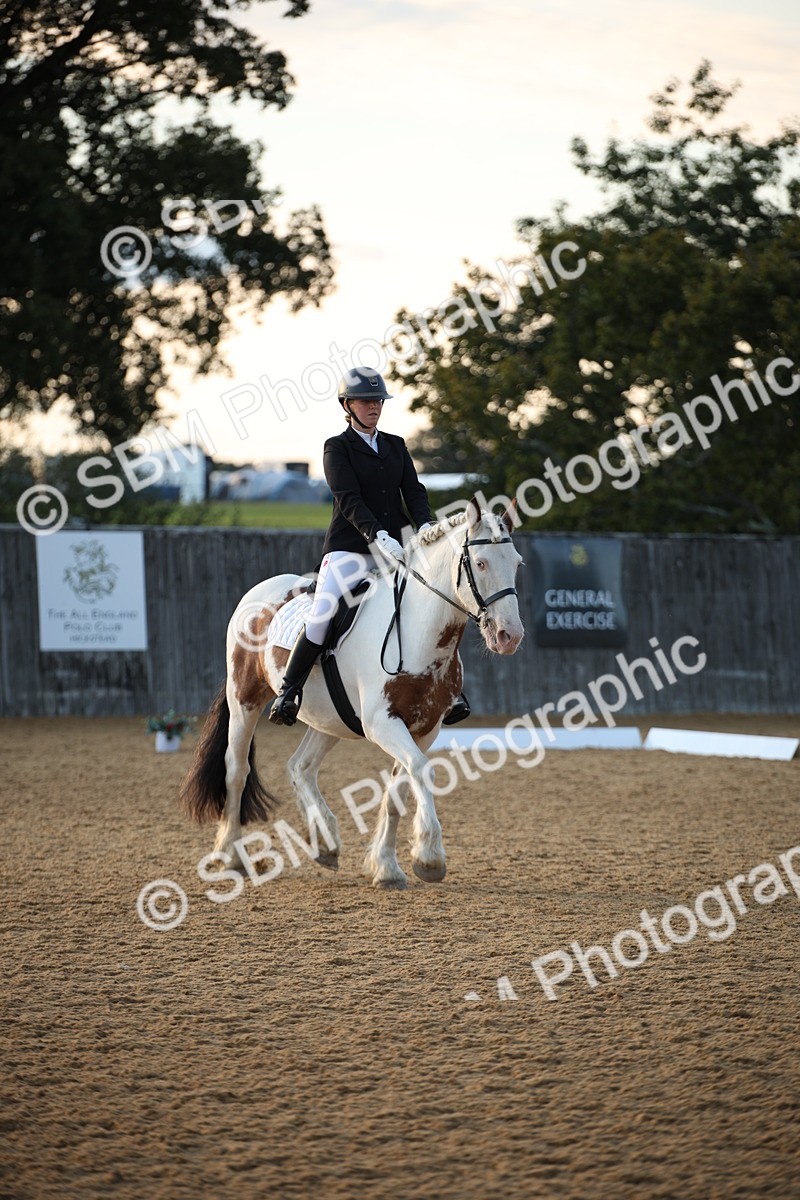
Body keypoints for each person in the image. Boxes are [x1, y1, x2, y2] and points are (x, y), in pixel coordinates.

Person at [268, 365, 470, 727]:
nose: (374, 407)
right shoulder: (337, 447)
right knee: (322, 616)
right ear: (347, 405)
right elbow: (348, 498)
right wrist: (376, 535)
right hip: (350, 547)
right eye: (365, 401)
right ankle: (288, 691)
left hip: (402, 542)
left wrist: (424, 526)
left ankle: (448, 690)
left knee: (436, 603)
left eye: (378, 400)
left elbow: (413, 491)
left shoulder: (395, 445)